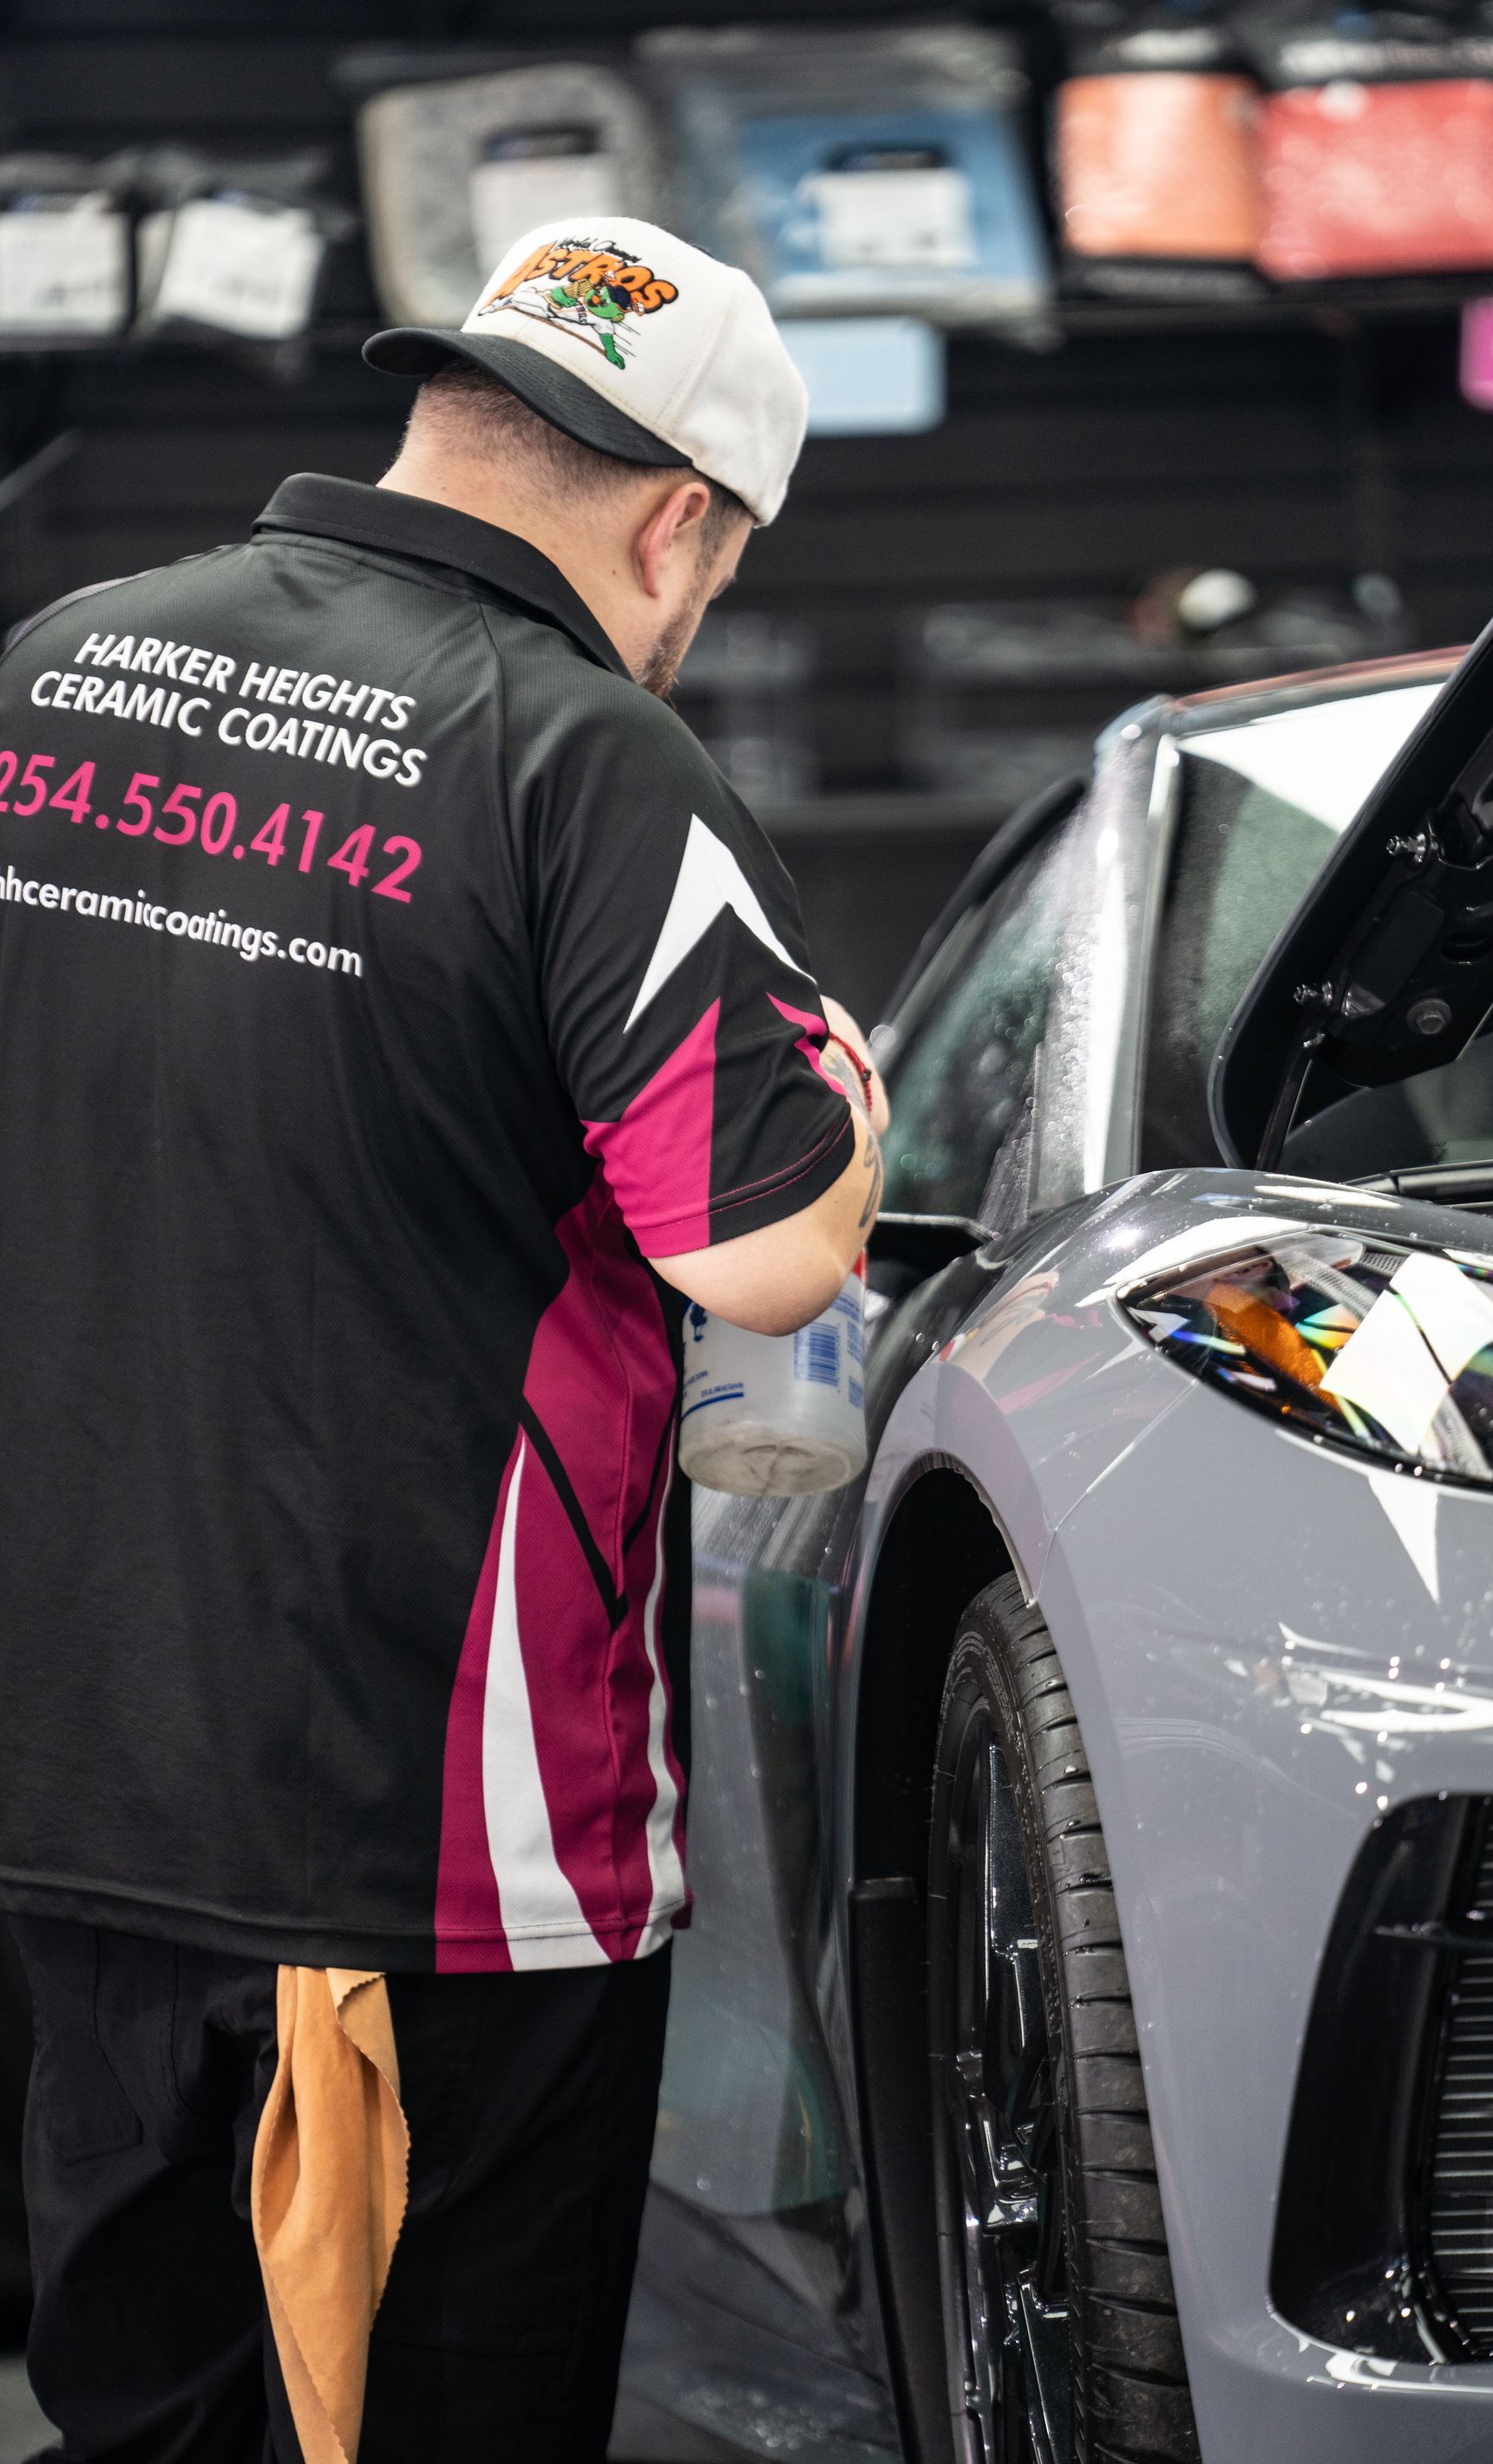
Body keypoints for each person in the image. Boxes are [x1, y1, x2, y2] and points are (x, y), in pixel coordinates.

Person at [0, 217, 885, 2461]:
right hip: (436, 1844)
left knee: (144, 2404)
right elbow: (766, 1256)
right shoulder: (584, 756)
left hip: (69, 1781)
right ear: (683, 520)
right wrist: (848, 1117)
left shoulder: (59, 662)